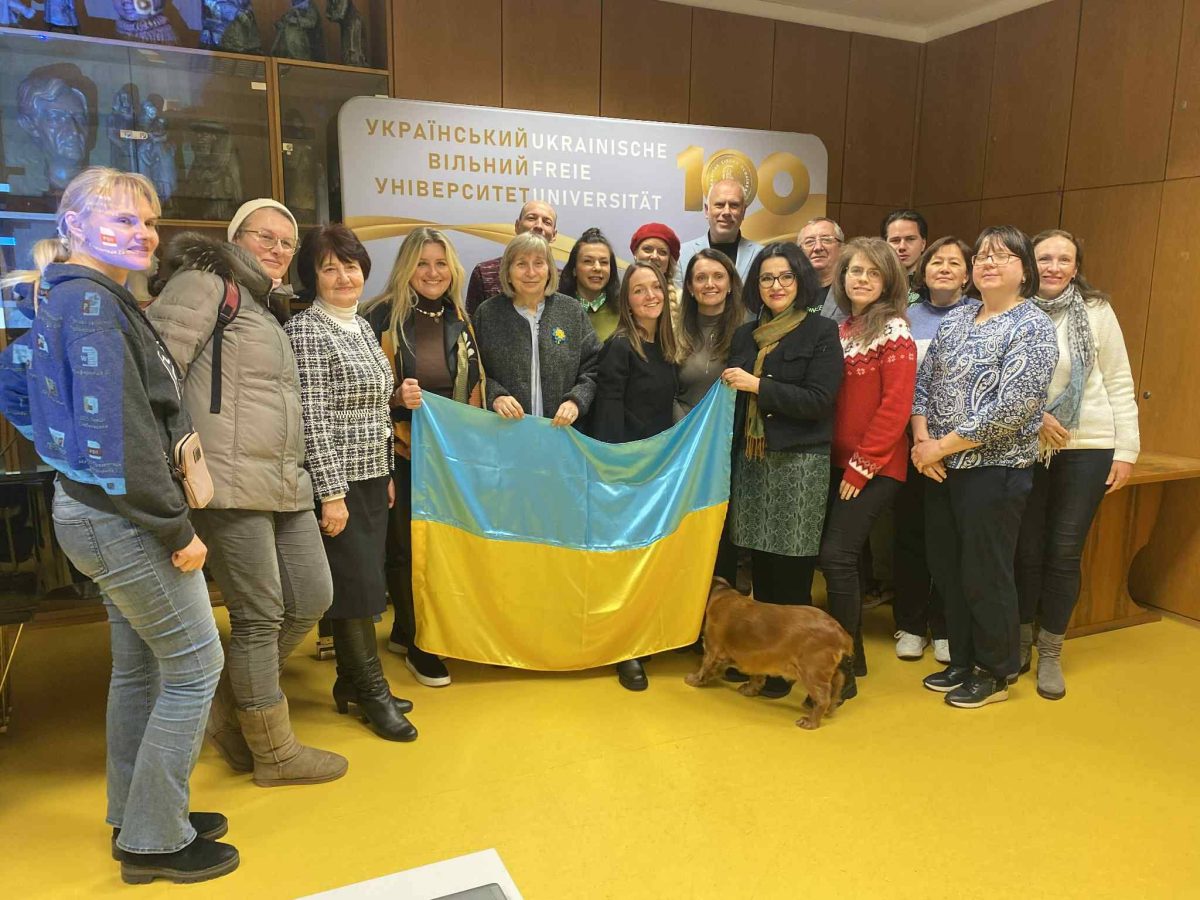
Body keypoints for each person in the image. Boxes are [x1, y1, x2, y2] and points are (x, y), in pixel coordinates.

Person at [0, 167, 237, 884]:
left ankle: (137, 812)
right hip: (126, 521)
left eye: (149, 222)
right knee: (195, 667)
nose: (144, 234)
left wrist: (60, 451)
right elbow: (125, 438)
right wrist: (176, 529)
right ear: (73, 225)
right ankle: (154, 840)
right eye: (124, 220)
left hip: (92, 511)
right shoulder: (95, 306)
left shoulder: (67, 295)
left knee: (140, 668)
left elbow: (15, 386)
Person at [148, 200, 346, 786]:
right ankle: (274, 752)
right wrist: (174, 465)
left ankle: (231, 709)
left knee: (311, 596)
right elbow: (157, 374)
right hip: (230, 484)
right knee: (260, 615)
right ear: (236, 237)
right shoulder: (204, 283)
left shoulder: (263, 303)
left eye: (288, 242)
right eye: (266, 236)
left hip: (284, 482)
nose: (278, 249)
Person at [911, 225, 1058, 709]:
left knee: (986, 572)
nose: (988, 264)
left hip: (994, 470)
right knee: (949, 568)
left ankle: (995, 672)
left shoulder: (1032, 326)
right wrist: (921, 440)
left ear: (1024, 270)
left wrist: (940, 447)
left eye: (1002, 256)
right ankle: (963, 660)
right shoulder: (958, 317)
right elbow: (924, 383)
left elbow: (1012, 408)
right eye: (982, 257)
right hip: (939, 466)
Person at [286, 225, 418, 740]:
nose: (343, 277)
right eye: (329, 268)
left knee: (364, 582)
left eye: (351, 266)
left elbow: (374, 407)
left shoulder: (360, 325)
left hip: (371, 476)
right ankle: (371, 690)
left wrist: (385, 472)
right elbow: (314, 420)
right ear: (312, 276)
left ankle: (350, 681)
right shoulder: (307, 331)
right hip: (337, 481)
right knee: (354, 589)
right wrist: (332, 494)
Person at [1014, 229, 1140, 700]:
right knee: (1025, 551)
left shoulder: (1097, 311)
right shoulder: (1015, 310)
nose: (1053, 267)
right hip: (1025, 445)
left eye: (1063, 259)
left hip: (1088, 443)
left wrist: (1126, 451)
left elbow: (1119, 381)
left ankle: (1050, 651)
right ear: (1030, 264)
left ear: (1076, 266)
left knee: (1064, 552)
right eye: (1044, 258)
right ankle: (1020, 642)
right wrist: (1034, 417)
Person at [362, 226, 484, 689]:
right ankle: (419, 643)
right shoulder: (379, 317)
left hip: (448, 458)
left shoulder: (461, 319)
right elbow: (359, 393)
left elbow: (475, 387)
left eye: (440, 263)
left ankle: (405, 630)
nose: (432, 273)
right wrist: (395, 397)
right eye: (422, 264)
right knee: (405, 547)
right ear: (405, 268)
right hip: (398, 450)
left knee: (439, 547)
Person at [721, 242, 843, 698]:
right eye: (767, 278)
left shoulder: (821, 331)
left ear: (800, 281)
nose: (776, 285)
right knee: (760, 568)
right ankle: (766, 662)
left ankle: (793, 666)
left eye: (785, 277)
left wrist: (758, 385)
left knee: (791, 571)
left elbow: (819, 401)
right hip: (752, 462)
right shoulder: (744, 335)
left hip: (799, 463)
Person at [816, 239, 916, 701]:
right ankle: (852, 652)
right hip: (838, 463)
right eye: (855, 270)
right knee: (848, 560)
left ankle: (842, 668)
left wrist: (861, 467)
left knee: (836, 556)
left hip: (876, 467)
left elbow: (896, 407)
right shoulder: (842, 330)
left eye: (873, 273)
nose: (862, 279)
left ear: (888, 281)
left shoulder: (894, 330)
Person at [591, 261, 681, 690]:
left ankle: (645, 635)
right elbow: (608, 413)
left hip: (658, 469)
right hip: (627, 471)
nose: (650, 296)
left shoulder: (665, 345)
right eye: (639, 290)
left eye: (655, 288)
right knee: (624, 561)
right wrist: (619, 473)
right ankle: (625, 650)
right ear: (626, 301)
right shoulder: (621, 346)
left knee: (649, 559)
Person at [892, 237, 974, 663]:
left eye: (954, 263)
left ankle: (945, 626)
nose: (944, 268)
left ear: (967, 274)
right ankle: (909, 624)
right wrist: (920, 442)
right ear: (922, 272)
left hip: (962, 447)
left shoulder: (980, 315)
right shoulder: (905, 318)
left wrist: (940, 446)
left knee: (951, 542)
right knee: (910, 537)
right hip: (909, 444)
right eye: (936, 262)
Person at [475, 232, 601, 430]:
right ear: (507, 272)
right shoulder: (488, 314)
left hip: (562, 433)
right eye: (521, 264)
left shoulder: (571, 311)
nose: (531, 272)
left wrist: (576, 400)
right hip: (504, 432)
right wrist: (495, 396)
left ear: (549, 270)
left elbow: (595, 366)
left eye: (539, 263)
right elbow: (475, 371)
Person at [674, 248, 747, 421]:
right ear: (690, 287)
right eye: (701, 278)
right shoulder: (674, 333)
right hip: (683, 428)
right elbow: (666, 393)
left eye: (718, 276)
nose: (709, 284)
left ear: (730, 284)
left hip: (730, 430)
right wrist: (686, 429)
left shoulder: (748, 333)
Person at [465, 200, 558, 315]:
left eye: (547, 222)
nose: (538, 225)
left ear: (554, 235)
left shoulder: (562, 278)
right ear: (517, 226)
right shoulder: (484, 273)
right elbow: (472, 323)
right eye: (531, 218)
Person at [678, 179, 763, 294]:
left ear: (743, 212)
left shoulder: (760, 255)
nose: (726, 212)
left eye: (734, 205)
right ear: (707, 211)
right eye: (719, 205)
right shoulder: (681, 255)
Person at [559, 227, 621, 342]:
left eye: (604, 262)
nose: (597, 268)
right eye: (588, 261)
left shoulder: (624, 312)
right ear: (574, 269)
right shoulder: (556, 308)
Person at [797, 216, 846, 322]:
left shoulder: (851, 289)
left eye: (826, 240)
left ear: (842, 248)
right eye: (809, 242)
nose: (818, 247)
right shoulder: (791, 290)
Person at [630, 222, 682, 317]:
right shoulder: (620, 297)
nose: (654, 256)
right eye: (647, 249)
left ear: (669, 262)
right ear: (635, 254)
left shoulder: (682, 300)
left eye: (662, 252)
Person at [881, 209, 928, 277]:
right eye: (895, 240)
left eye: (910, 239)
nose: (902, 247)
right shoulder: (875, 281)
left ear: (923, 244)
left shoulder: (935, 282)